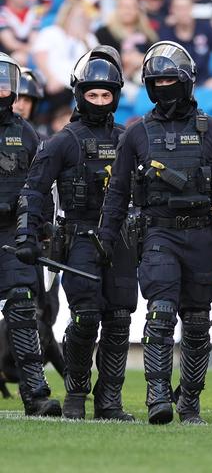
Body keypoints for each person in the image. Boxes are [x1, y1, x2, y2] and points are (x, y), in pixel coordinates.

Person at [98, 40, 212, 425]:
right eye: (156, 80)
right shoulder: (136, 134)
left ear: (185, 81)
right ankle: (158, 395)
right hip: (158, 234)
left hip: (202, 236)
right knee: (160, 315)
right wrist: (106, 238)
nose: (163, 86)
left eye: (169, 79)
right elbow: (117, 193)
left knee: (197, 322)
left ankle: (190, 402)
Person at [14, 45, 137, 421]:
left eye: (106, 94)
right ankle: (76, 393)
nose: (99, 101)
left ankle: (110, 400)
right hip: (80, 237)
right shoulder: (62, 141)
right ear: (79, 95)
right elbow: (34, 191)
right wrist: (27, 235)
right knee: (85, 317)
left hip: (120, 239)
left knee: (119, 319)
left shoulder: (128, 138)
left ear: (115, 96)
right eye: (92, 94)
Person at [0, 52, 61, 417]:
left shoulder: (27, 135)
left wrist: (43, 229)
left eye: (4, 81)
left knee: (23, 309)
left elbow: (43, 189)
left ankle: (35, 394)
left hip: (13, 234)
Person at [31, 0, 98, 118]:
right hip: (49, 80)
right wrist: (51, 78)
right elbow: (39, 56)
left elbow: (96, 62)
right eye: (77, 16)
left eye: (83, 17)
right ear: (67, 16)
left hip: (74, 85)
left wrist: (84, 40)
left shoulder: (89, 38)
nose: (79, 20)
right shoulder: (51, 32)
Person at [158, 0, 212, 87]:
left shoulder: (204, 27)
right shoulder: (165, 32)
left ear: (192, 8)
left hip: (203, 84)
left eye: (186, 7)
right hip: (175, 87)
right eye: (179, 8)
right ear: (172, 10)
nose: (183, 12)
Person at [95, 0, 158, 84]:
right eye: (124, 6)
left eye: (132, 7)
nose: (128, 10)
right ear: (117, 9)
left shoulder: (148, 34)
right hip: (113, 83)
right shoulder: (103, 33)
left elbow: (156, 59)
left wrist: (141, 59)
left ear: (138, 10)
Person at [0, 0, 40, 66]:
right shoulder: (2, 13)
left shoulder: (33, 14)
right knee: (18, 58)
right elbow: (10, 44)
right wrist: (31, 49)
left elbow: (34, 38)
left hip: (27, 53)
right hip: (6, 55)